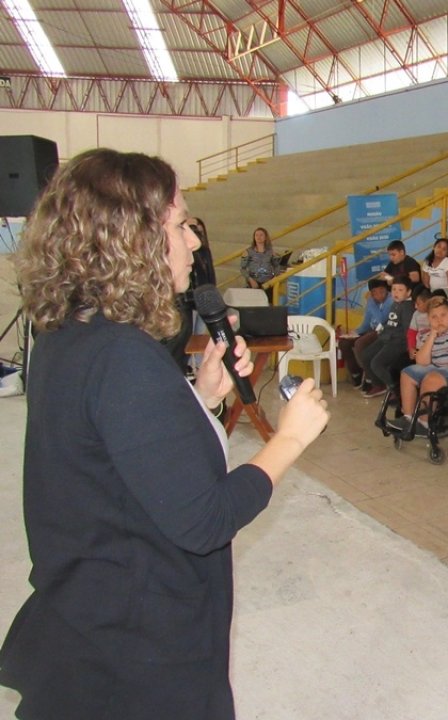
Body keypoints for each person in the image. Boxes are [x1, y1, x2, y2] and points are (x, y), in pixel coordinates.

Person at [0, 148, 330, 720]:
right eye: (180, 226)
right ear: (134, 239)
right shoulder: (123, 356)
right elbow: (204, 519)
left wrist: (200, 396)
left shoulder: (69, 330)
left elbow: (117, 461)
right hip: (137, 651)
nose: (194, 242)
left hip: (93, 616)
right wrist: (289, 440)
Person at [387, 296, 448, 436]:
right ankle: (408, 418)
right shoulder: (426, 334)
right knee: (407, 372)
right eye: (434, 317)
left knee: (431, 378)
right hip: (439, 370)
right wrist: (432, 335)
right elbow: (422, 362)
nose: (439, 320)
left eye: (443, 315)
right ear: (428, 319)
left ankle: (424, 424)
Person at [358, 277, 415, 398]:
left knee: (376, 363)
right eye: (394, 289)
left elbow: (407, 331)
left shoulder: (407, 307)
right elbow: (390, 323)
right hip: (386, 337)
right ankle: (378, 385)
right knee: (365, 355)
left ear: (408, 292)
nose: (396, 292)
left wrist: (407, 347)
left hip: (398, 342)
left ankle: (394, 388)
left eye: (400, 290)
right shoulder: (395, 304)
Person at [340, 277, 392, 389]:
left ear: (386, 290)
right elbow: (366, 322)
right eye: (374, 292)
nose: (378, 294)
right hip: (371, 330)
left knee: (360, 343)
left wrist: (372, 303)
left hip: (382, 331)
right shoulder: (372, 301)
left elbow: (381, 320)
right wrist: (354, 332)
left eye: (381, 291)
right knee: (344, 343)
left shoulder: (390, 300)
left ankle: (370, 377)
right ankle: (356, 373)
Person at [240, 226, 279, 297]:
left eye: (261, 235)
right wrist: (250, 280)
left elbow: (276, 266)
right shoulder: (248, 252)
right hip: (253, 282)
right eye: (256, 235)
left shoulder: (271, 252)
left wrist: (275, 278)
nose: (258, 237)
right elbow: (242, 269)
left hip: (268, 282)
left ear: (265, 237)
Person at [422, 237, 448, 302]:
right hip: (434, 292)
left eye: (444, 249)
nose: (440, 250)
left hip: (447, 292)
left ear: (447, 253)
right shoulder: (427, 262)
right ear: (434, 248)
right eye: (438, 247)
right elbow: (426, 284)